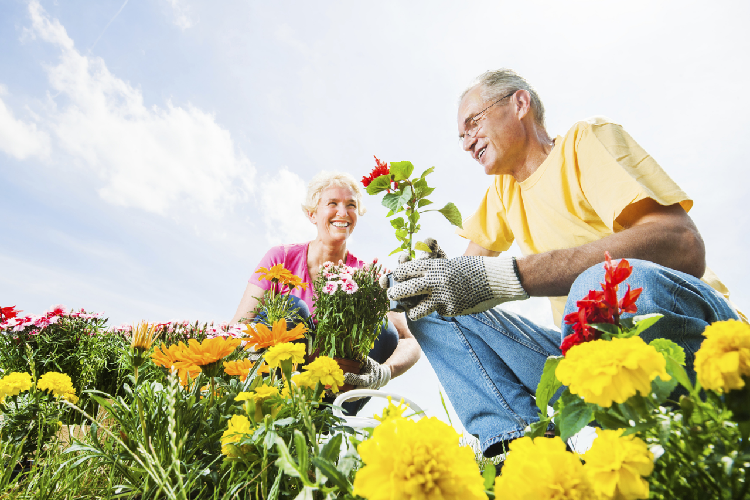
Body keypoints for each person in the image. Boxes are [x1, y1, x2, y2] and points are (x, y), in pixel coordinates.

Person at [388, 69, 745, 457]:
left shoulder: (584, 141)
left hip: (686, 335)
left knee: (600, 281)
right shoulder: (503, 194)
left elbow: (682, 243)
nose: (466, 141)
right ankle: (521, 449)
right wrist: (419, 282)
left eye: (472, 123)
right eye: (460, 135)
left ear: (520, 104)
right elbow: (461, 283)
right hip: (588, 364)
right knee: (432, 309)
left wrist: (511, 276)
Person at [231, 171, 421, 414]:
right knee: (292, 307)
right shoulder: (280, 259)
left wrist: (383, 373)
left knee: (384, 329)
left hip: (335, 388)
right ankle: (273, 409)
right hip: (277, 377)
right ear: (312, 214)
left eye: (350, 205)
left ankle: (330, 418)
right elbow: (238, 327)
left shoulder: (368, 277)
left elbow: (408, 340)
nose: (343, 212)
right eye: (332, 203)